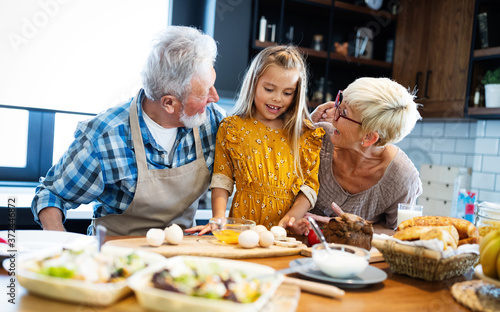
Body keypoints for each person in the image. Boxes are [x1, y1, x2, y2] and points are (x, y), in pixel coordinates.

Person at [31, 26, 226, 236]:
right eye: (205, 92)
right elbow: (51, 195)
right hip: (115, 259)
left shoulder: (212, 121)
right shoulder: (105, 137)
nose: (214, 97)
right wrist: (62, 249)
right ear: (169, 103)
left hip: (180, 258)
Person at [187, 46, 325, 236]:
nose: (277, 99)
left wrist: (291, 218)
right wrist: (219, 217)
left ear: (297, 94)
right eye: (269, 89)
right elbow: (222, 179)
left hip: (284, 234)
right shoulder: (232, 128)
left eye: (287, 93)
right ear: (253, 83)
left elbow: (310, 187)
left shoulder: (305, 135)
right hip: (242, 230)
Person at [308, 77, 422, 231]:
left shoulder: (402, 179)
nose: (331, 112)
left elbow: (398, 234)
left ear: (369, 137)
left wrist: (356, 229)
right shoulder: (320, 137)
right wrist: (304, 126)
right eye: (339, 104)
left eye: (344, 112)